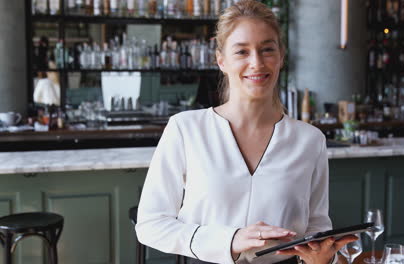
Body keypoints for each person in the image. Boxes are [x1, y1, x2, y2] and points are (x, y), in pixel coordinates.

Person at [136, 1, 357, 263]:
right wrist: (230, 240)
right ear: (221, 60)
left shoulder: (310, 140)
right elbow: (151, 224)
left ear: (281, 56)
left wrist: (324, 258)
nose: (257, 63)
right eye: (242, 52)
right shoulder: (185, 129)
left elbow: (316, 227)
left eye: (267, 49)